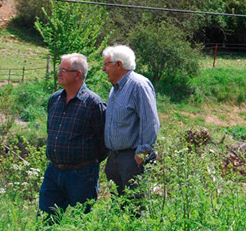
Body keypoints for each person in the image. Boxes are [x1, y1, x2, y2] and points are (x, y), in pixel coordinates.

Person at [38, 53, 107, 219]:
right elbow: (51, 131)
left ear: (78, 74)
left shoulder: (93, 103)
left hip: (82, 175)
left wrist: (86, 163)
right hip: (53, 172)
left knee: (81, 221)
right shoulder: (54, 99)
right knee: (45, 219)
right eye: (59, 69)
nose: (59, 73)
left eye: (64, 70)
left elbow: (104, 142)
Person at [102, 45, 160, 202]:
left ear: (118, 64)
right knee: (118, 206)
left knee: (135, 207)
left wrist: (140, 156)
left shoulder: (139, 85)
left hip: (131, 158)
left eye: (106, 64)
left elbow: (151, 123)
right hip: (115, 157)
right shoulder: (115, 89)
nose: (103, 69)